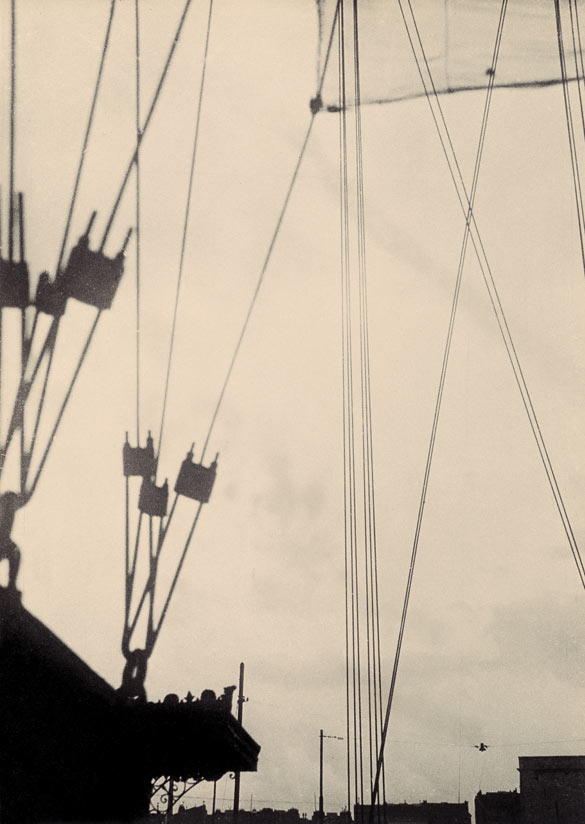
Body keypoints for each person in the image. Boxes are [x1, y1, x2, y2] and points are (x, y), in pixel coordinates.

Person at [0, 490, 28, 592]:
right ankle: (11, 586)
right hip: (3, 540)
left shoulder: (10, 505)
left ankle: (12, 586)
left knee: (15, 553)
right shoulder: (4, 504)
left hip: (5, 541)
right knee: (14, 552)